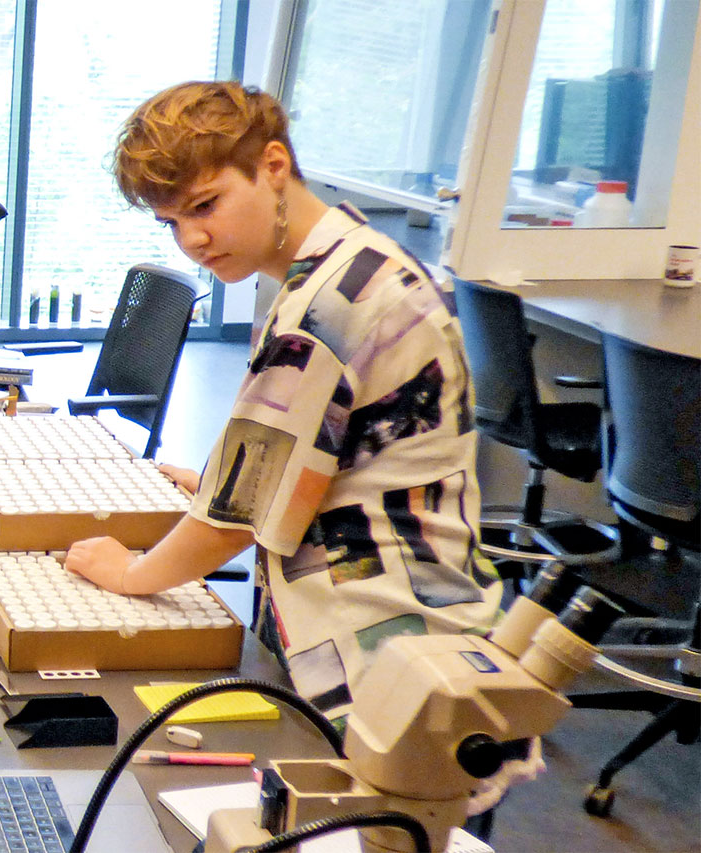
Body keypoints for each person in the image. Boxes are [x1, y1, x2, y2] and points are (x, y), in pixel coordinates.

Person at [67, 81, 503, 727]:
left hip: (383, 667)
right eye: (172, 223)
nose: (191, 239)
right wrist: (222, 485)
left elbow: (232, 523)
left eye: (205, 205)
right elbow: (334, 458)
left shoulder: (325, 305)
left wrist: (129, 572)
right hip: (416, 640)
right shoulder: (354, 260)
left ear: (273, 166)